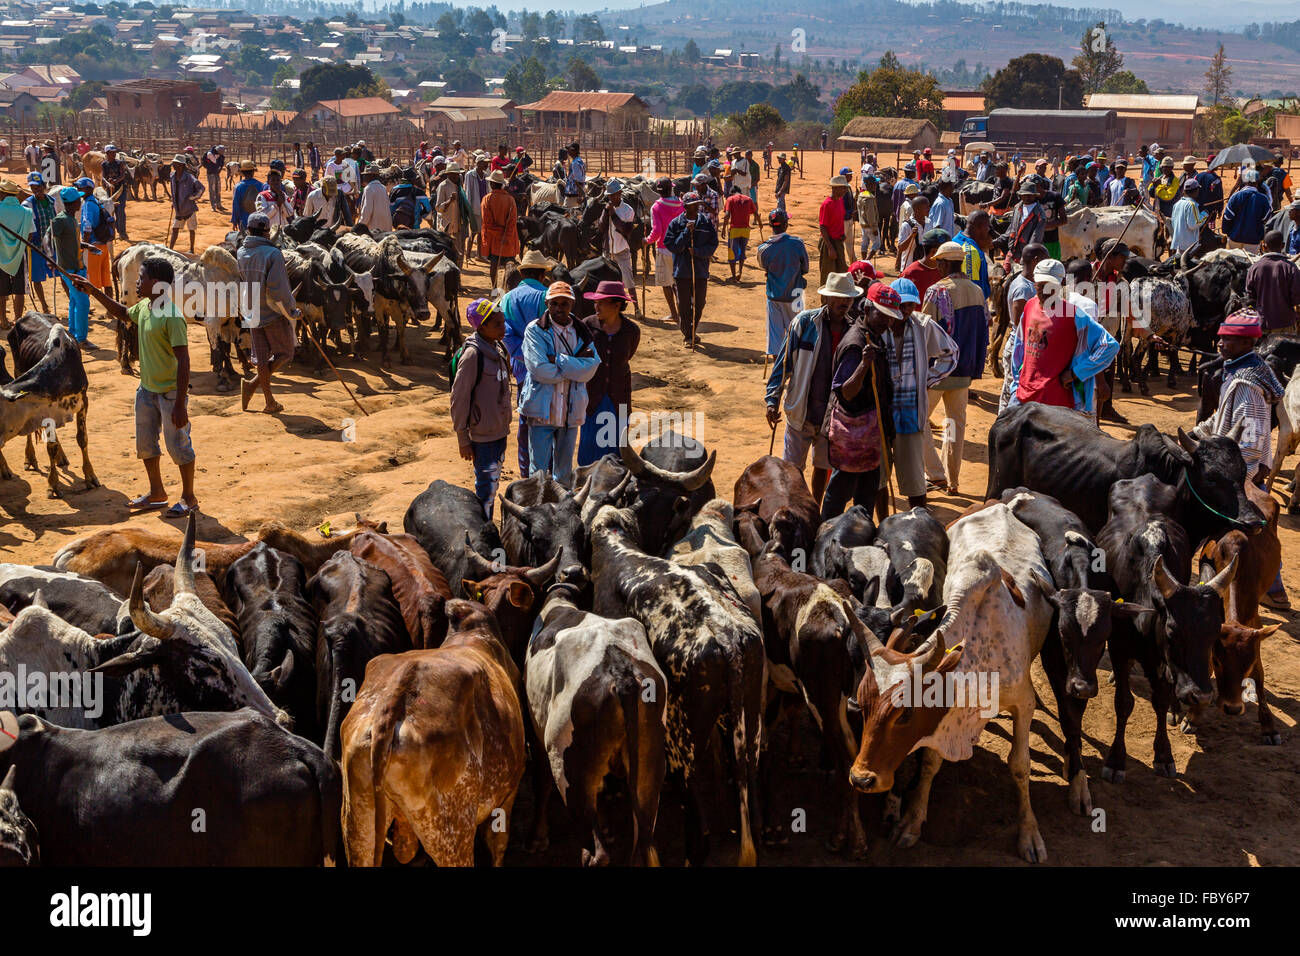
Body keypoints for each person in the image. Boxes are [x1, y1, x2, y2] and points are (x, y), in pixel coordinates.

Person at [72, 256, 198, 517]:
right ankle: (157, 494)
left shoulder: (172, 316)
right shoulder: (146, 307)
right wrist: (92, 290)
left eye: (141, 278)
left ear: (156, 283)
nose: (137, 282)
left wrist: (179, 404)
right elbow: (122, 312)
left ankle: (189, 498)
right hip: (147, 390)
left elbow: (184, 360)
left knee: (178, 446)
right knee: (146, 445)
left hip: (170, 393)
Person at [765, 272, 865, 504]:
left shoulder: (855, 331)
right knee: (791, 470)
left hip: (832, 416)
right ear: (827, 299)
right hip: (801, 410)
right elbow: (783, 364)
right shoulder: (804, 323)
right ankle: (792, 508)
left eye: (848, 298)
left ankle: (815, 507)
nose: (845, 303)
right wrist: (772, 400)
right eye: (839, 298)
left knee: (822, 467)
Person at [863, 280, 957, 509]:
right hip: (880, 414)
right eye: (902, 304)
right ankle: (883, 524)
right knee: (879, 479)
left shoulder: (923, 325)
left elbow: (951, 354)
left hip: (910, 413)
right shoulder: (877, 326)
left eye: (911, 305)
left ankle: (919, 523)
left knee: (915, 481)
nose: (906, 310)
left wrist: (927, 379)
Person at [1004, 258, 1119, 423]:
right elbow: (1020, 348)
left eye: (1050, 286)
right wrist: (1017, 384)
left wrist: (1076, 373)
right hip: (1023, 396)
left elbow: (1109, 346)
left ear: (1060, 284)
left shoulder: (1073, 315)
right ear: (1034, 282)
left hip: (1055, 405)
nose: (1044, 290)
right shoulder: (1030, 306)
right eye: (1040, 285)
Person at [818, 281, 893, 521]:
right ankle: (825, 534)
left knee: (866, 492)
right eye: (882, 315)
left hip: (870, 430)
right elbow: (846, 392)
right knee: (840, 491)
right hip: (852, 432)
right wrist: (864, 366)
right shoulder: (855, 344)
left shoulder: (874, 335)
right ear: (866, 308)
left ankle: (861, 533)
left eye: (890, 317)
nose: (887, 322)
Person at [920, 241, 988, 495]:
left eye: (939, 262)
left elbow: (924, 330)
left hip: (938, 372)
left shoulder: (937, 291)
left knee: (918, 422)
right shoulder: (977, 291)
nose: (937, 266)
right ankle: (953, 481)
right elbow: (984, 330)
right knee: (954, 425)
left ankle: (935, 474)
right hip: (965, 371)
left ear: (946, 263)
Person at [518, 280, 600, 483]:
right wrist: (574, 368)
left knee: (564, 474)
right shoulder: (534, 330)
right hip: (541, 412)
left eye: (564, 304)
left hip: (570, 414)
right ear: (547, 304)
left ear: (572, 305)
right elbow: (539, 370)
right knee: (537, 473)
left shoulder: (581, 331)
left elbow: (592, 368)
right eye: (554, 303)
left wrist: (559, 360)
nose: (558, 308)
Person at [1191, 309, 1284, 482]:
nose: (1219, 343)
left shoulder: (1247, 385)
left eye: (1226, 338)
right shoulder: (1240, 371)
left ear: (1246, 343)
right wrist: (1196, 433)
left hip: (1241, 474)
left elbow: (1249, 445)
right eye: (1220, 337)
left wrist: (1237, 483)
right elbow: (1225, 413)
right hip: (1232, 464)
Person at [452, 297, 513, 519]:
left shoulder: (499, 348)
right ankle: (485, 529)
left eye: (503, 322)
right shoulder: (472, 355)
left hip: (499, 431)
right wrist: (463, 438)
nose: (503, 328)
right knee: (486, 487)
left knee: (494, 482)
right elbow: (459, 398)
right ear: (482, 326)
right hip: (482, 436)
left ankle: (487, 524)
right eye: (497, 324)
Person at [499, 248, 554, 475]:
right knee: (549, 418)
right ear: (542, 274)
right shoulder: (548, 297)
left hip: (520, 367)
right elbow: (554, 335)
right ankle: (547, 470)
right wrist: (541, 357)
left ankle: (525, 471)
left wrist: (522, 355)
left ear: (523, 274)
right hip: (549, 366)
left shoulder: (507, 298)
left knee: (525, 416)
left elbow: (505, 335)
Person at [236, 213, 298, 414]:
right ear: (266, 231)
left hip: (251, 310)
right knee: (286, 353)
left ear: (248, 230)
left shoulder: (241, 252)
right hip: (272, 312)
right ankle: (254, 386)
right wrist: (291, 310)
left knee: (261, 358)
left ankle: (269, 400)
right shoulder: (272, 254)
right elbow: (278, 288)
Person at [579, 281, 640, 466]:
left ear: (617, 305)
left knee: (616, 448)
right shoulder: (586, 326)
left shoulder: (631, 330)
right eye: (595, 302)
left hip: (619, 396)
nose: (596, 306)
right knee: (589, 445)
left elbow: (627, 356)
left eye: (602, 302)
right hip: (591, 396)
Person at [998, 243, 1048, 413]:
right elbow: (1021, 324)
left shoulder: (1027, 283)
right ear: (1036, 261)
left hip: (1025, 345)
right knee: (1012, 393)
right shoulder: (1023, 288)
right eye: (1045, 261)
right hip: (1019, 347)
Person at [663, 191, 717, 348]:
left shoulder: (706, 223)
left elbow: (713, 244)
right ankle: (688, 335)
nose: (696, 208)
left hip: (700, 271)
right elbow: (672, 246)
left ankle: (692, 330)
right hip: (682, 272)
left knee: (700, 303)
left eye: (697, 205)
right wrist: (686, 233)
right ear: (685, 206)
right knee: (684, 305)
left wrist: (699, 252)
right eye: (692, 205)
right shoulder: (675, 224)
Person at [757, 207, 809, 360]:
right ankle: (795, 367)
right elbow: (805, 268)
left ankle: (778, 369)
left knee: (775, 335)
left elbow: (763, 266)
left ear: (771, 226)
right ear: (785, 225)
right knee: (797, 333)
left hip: (774, 295)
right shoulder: (797, 244)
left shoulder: (764, 249)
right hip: (795, 295)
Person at [50, 186, 89, 345]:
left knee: (74, 300)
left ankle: (72, 334)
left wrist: (85, 245)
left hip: (78, 266)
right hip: (68, 269)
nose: (81, 201)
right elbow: (50, 237)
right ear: (73, 203)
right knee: (83, 302)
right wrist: (50, 257)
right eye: (78, 199)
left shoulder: (72, 218)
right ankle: (81, 339)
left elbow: (71, 241)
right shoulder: (60, 220)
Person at [1246, 230, 1300, 337]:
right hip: (1285, 324)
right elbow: (1297, 296)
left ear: (1264, 246)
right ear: (1283, 245)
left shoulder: (1255, 267)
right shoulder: (1290, 268)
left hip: (1262, 324)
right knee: (1283, 353)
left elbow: (1250, 296)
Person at [598, 179, 640, 308]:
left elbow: (626, 230)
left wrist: (614, 215)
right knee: (607, 281)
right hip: (608, 250)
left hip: (622, 250)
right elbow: (601, 227)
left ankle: (636, 308)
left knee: (628, 281)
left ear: (620, 193)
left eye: (614, 194)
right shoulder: (607, 208)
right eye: (610, 195)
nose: (612, 198)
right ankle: (610, 306)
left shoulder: (628, 210)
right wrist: (606, 212)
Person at [646, 178, 682, 327]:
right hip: (679, 248)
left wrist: (647, 240)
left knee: (666, 283)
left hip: (664, 248)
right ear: (671, 189)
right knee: (678, 283)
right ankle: (683, 313)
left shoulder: (656, 206)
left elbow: (657, 230)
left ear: (658, 191)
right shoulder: (681, 203)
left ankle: (674, 314)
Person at [480, 168, 520, 290]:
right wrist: (506, 236)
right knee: (509, 266)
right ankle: (507, 290)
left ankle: (494, 289)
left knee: (494, 265)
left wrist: (499, 234)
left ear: (492, 184)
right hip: (507, 241)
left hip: (493, 240)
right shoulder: (510, 199)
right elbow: (512, 222)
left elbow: (487, 222)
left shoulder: (487, 199)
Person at [0, 180, 32, 328]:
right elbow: (30, 236)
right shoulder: (26, 212)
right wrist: (17, 247)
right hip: (19, 256)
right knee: (19, 289)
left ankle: (3, 321)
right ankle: (18, 320)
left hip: (0, 257)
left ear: (3, 194)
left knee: (1, 289)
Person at [22, 172, 53, 313]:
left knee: (64, 275)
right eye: (33, 187)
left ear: (44, 185)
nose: (36, 189)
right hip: (36, 247)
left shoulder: (52, 201)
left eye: (38, 186)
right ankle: (44, 306)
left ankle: (73, 302)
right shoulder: (27, 204)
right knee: (36, 278)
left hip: (53, 246)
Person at [1224, 168, 1272, 250]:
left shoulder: (1235, 196)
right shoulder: (1263, 199)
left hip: (1235, 238)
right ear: (1257, 182)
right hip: (1253, 240)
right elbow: (1266, 219)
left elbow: (1227, 217)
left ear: (1245, 181)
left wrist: (1227, 232)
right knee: (1251, 262)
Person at [722, 184, 760, 282]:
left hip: (734, 229)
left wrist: (723, 229)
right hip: (745, 229)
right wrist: (760, 224)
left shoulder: (730, 199)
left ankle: (734, 276)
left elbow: (727, 215)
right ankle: (740, 272)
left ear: (732, 193)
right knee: (742, 251)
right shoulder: (748, 199)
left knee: (732, 253)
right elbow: (755, 213)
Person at [168, 155, 204, 254]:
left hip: (189, 208)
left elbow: (201, 188)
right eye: (174, 164)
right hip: (178, 209)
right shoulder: (172, 176)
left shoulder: (189, 177)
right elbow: (173, 190)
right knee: (175, 229)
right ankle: (170, 249)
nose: (174, 166)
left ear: (182, 165)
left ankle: (191, 249)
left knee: (191, 229)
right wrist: (174, 201)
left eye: (176, 164)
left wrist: (194, 197)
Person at [954, 210, 992, 299]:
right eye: (987, 226)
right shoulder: (970, 252)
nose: (988, 230)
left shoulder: (957, 240)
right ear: (980, 226)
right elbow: (971, 290)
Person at [436, 162, 468, 259]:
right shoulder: (443, 186)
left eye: (457, 174)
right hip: (447, 224)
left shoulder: (459, 186)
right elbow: (438, 207)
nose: (455, 176)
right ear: (448, 174)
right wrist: (449, 201)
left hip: (458, 223)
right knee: (446, 249)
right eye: (453, 174)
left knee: (459, 249)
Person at [1169, 179, 1208, 256]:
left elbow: (1173, 223)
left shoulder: (1177, 204)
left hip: (1179, 243)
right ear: (1195, 191)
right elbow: (1193, 224)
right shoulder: (1192, 205)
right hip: (1189, 245)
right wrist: (1204, 214)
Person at [463, 155, 489, 259]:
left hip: (483, 207)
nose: (486, 165)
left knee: (481, 232)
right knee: (473, 232)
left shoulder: (486, 175)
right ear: (478, 163)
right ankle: (468, 255)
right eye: (484, 163)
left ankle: (479, 254)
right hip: (474, 208)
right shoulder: (470, 175)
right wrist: (468, 209)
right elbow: (468, 191)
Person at [101, 145, 129, 240]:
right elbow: (103, 177)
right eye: (111, 152)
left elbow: (123, 175)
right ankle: (114, 231)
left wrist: (115, 181)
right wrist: (107, 183)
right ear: (107, 154)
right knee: (111, 211)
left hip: (120, 190)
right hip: (110, 191)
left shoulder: (119, 163)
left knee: (120, 211)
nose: (113, 154)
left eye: (114, 152)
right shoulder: (104, 164)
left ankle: (122, 232)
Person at [895, 190, 927, 271]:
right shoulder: (907, 226)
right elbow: (901, 248)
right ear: (917, 210)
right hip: (909, 267)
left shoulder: (929, 223)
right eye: (926, 207)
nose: (929, 209)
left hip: (924, 267)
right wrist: (911, 236)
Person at [254, 165, 291, 231]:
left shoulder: (284, 195)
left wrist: (282, 203)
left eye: (278, 180)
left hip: (282, 231)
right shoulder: (262, 196)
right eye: (273, 180)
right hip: (268, 231)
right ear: (268, 182)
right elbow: (263, 216)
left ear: (281, 181)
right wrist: (276, 206)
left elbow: (289, 213)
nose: (276, 182)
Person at [357, 166, 392, 232]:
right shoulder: (383, 188)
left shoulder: (369, 188)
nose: (364, 177)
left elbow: (367, 211)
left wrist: (360, 226)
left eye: (366, 175)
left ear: (371, 176)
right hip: (386, 226)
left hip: (374, 229)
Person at [231, 160, 261, 233]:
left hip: (244, 219)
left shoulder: (238, 187)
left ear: (242, 173)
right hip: (259, 220)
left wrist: (234, 220)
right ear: (253, 172)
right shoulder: (261, 185)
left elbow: (236, 205)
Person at [857, 174, 881, 258]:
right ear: (870, 185)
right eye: (875, 184)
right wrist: (874, 228)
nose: (876, 186)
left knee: (864, 243)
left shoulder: (861, 195)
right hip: (870, 225)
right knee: (877, 244)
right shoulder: (870, 198)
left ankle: (863, 260)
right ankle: (867, 260)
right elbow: (871, 215)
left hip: (863, 224)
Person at [201, 144, 225, 211]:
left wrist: (219, 169)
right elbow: (212, 163)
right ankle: (213, 206)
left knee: (218, 189)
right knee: (212, 189)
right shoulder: (210, 154)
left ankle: (219, 205)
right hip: (211, 173)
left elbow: (221, 163)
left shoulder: (220, 155)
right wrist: (210, 168)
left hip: (217, 174)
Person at [563, 142, 586, 211]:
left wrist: (579, 196)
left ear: (574, 151)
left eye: (570, 150)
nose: (568, 152)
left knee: (567, 215)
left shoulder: (575, 163)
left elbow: (578, 180)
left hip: (573, 195)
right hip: (575, 194)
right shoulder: (579, 161)